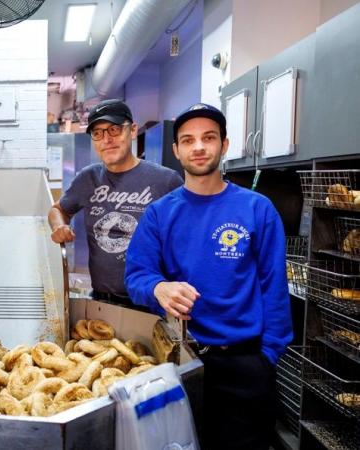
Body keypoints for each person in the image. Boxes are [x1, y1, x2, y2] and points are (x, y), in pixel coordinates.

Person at [124, 103, 292, 450]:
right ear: (177, 150)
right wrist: (159, 287)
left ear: (224, 145)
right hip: (180, 361)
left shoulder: (257, 209)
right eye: (188, 140)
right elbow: (137, 276)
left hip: (245, 363)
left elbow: (274, 288)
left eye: (208, 138)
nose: (198, 147)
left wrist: (267, 357)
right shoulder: (159, 214)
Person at [48, 99, 182, 307]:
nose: (107, 139)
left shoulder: (166, 180)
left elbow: (185, 240)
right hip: (103, 300)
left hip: (152, 302)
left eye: (114, 130)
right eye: (98, 133)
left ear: (133, 130)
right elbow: (58, 209)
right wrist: (59, 226)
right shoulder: (88, 178)